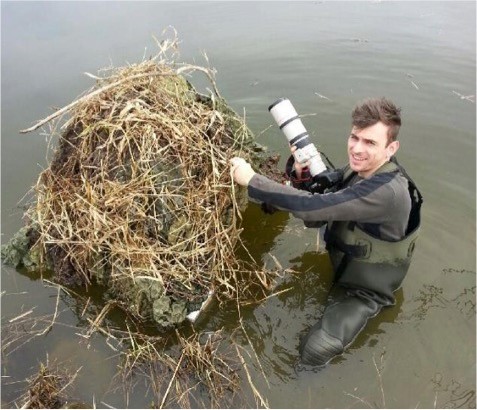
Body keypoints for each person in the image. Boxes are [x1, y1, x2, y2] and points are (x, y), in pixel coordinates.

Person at [230, 97, 422, 366]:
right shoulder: (363, 170)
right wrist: (299, 171)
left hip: (364, 291)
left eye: (370, 142)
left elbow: (312, 210)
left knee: (315, 351)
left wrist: (252, 180)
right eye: (355, 137)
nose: (356, 149)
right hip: (343, 266)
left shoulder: (387, 193)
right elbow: (325, 203)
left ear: (392, 148)